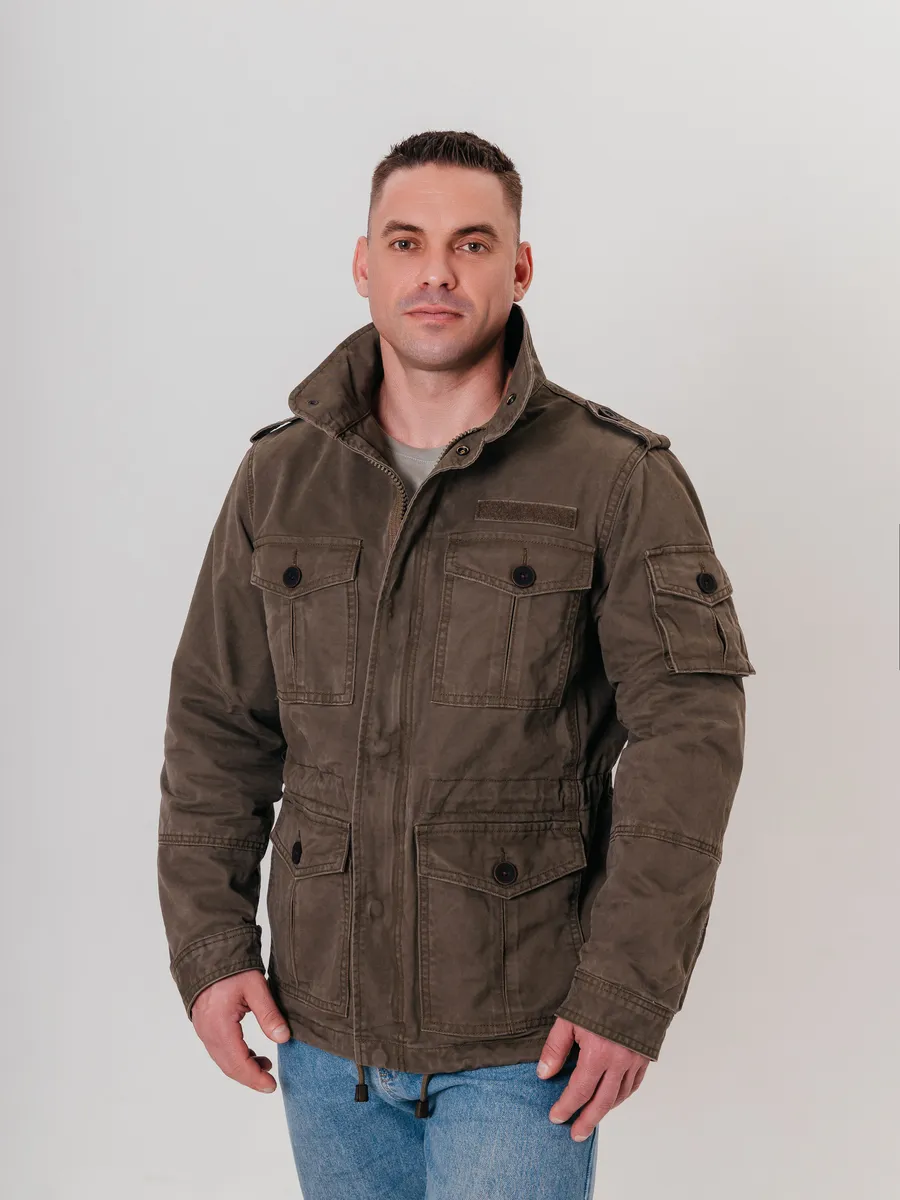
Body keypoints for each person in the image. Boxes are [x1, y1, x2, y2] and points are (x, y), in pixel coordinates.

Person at [157, 129, 755, 1199]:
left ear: (518, 268)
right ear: (364, 263)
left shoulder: (616, 479)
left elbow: (689, 740)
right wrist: (210, 947)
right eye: (407, 242)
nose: (436, 271)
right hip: (319, 1032)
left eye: (471, 244)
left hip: (524, 1040)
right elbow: (217, 724)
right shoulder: (280, 480)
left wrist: (627, 993)